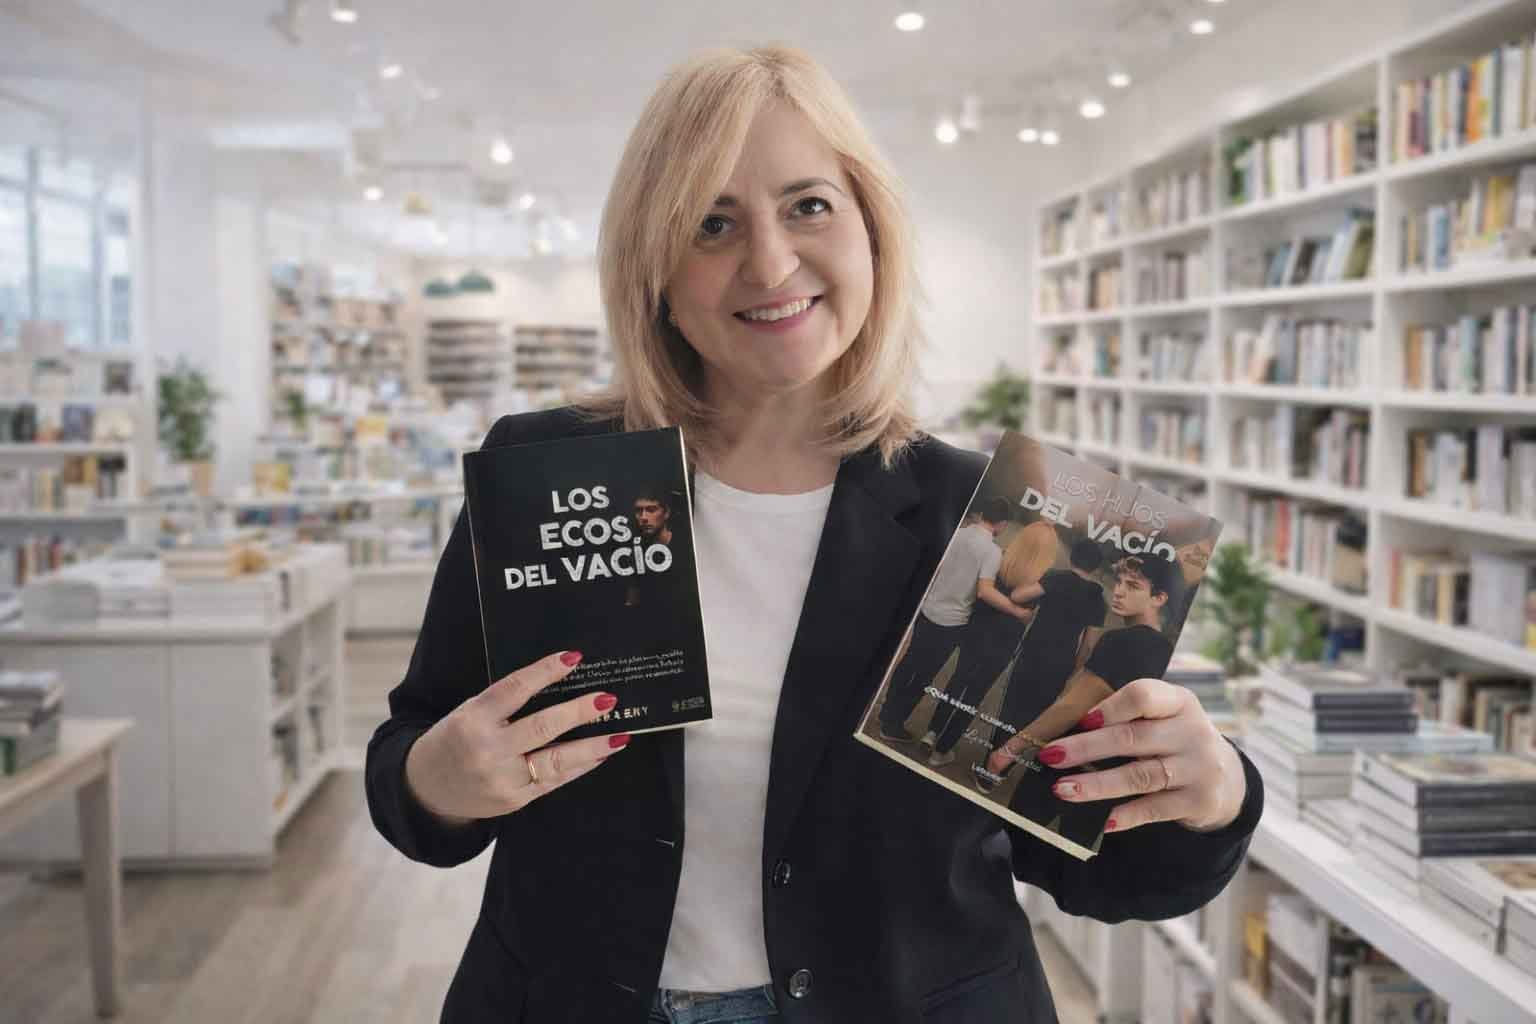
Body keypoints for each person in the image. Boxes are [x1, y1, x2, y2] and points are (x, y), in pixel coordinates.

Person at [365, 45, 1262, 1024]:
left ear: (872, 229)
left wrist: (1215, 791)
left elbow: (1107, 874)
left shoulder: (976, 508)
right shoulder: (547, 471)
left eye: (809, 206)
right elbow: (415, 762)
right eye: (712, 223)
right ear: (653, 266)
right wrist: (437, 779)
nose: (770, 262)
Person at [991, 555, 1181, 850]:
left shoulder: (1121, 640)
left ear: (1159, 598)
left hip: (1067, 759)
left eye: (1132, 586)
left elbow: (1073, 707)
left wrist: (1010, 748)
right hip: (1110, 780)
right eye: (1119, 582)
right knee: (1069, 853)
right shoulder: (1168, 655)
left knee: (1010, 839)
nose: (1118, 591)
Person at [875, 495, 1027, 747]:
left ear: (982, 514)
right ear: (1002, 524)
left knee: (909, 663)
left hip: (927, 611)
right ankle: (892, 724)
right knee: (923, 676)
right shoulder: (991, 551)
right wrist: (1018, 611)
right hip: (952, 623)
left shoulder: (958, 533)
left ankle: (886, 711)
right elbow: (985, 592)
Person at [969, 537, 1108, 793]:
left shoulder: (1056, 577)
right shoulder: (1098, 599)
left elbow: (1018, 595)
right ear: (1096, 567)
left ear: (1073, 557)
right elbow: (1088, 645)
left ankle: (987, 769)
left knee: (1010, 710)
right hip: (1060, 665)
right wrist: (1072, 671)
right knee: (1032, 719)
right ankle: (1000, 772)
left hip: (1031, 654)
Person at [918, 519, 1059, 767]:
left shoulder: (1001, 558)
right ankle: (941, 751)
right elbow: (1032, 616)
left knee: (958, 679)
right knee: (975, 694)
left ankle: (931, 733)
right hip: (1005, 640)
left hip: (977, 628)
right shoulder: (1043, 580)